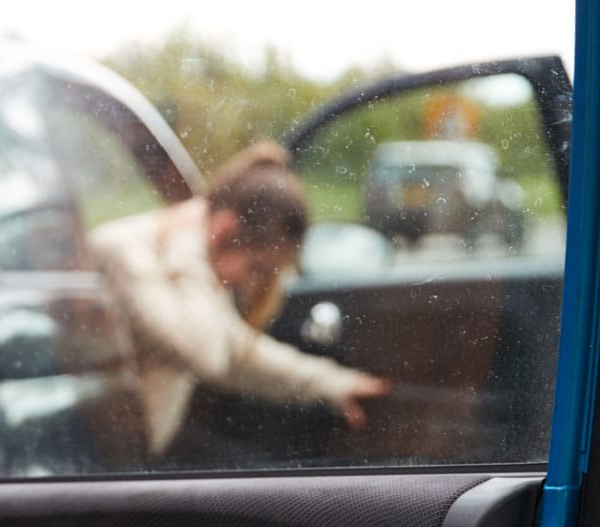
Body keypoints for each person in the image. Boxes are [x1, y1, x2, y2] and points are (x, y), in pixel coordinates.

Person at [87, 141, 390, 458]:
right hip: (97, 471)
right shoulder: (127, 253)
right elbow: (207, 355)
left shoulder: (190, 268)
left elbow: (237, 351)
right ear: (223, 228)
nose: (251, 284)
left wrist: (333, 384)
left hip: (134, 458)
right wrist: (187, 239)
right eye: (256, 269)